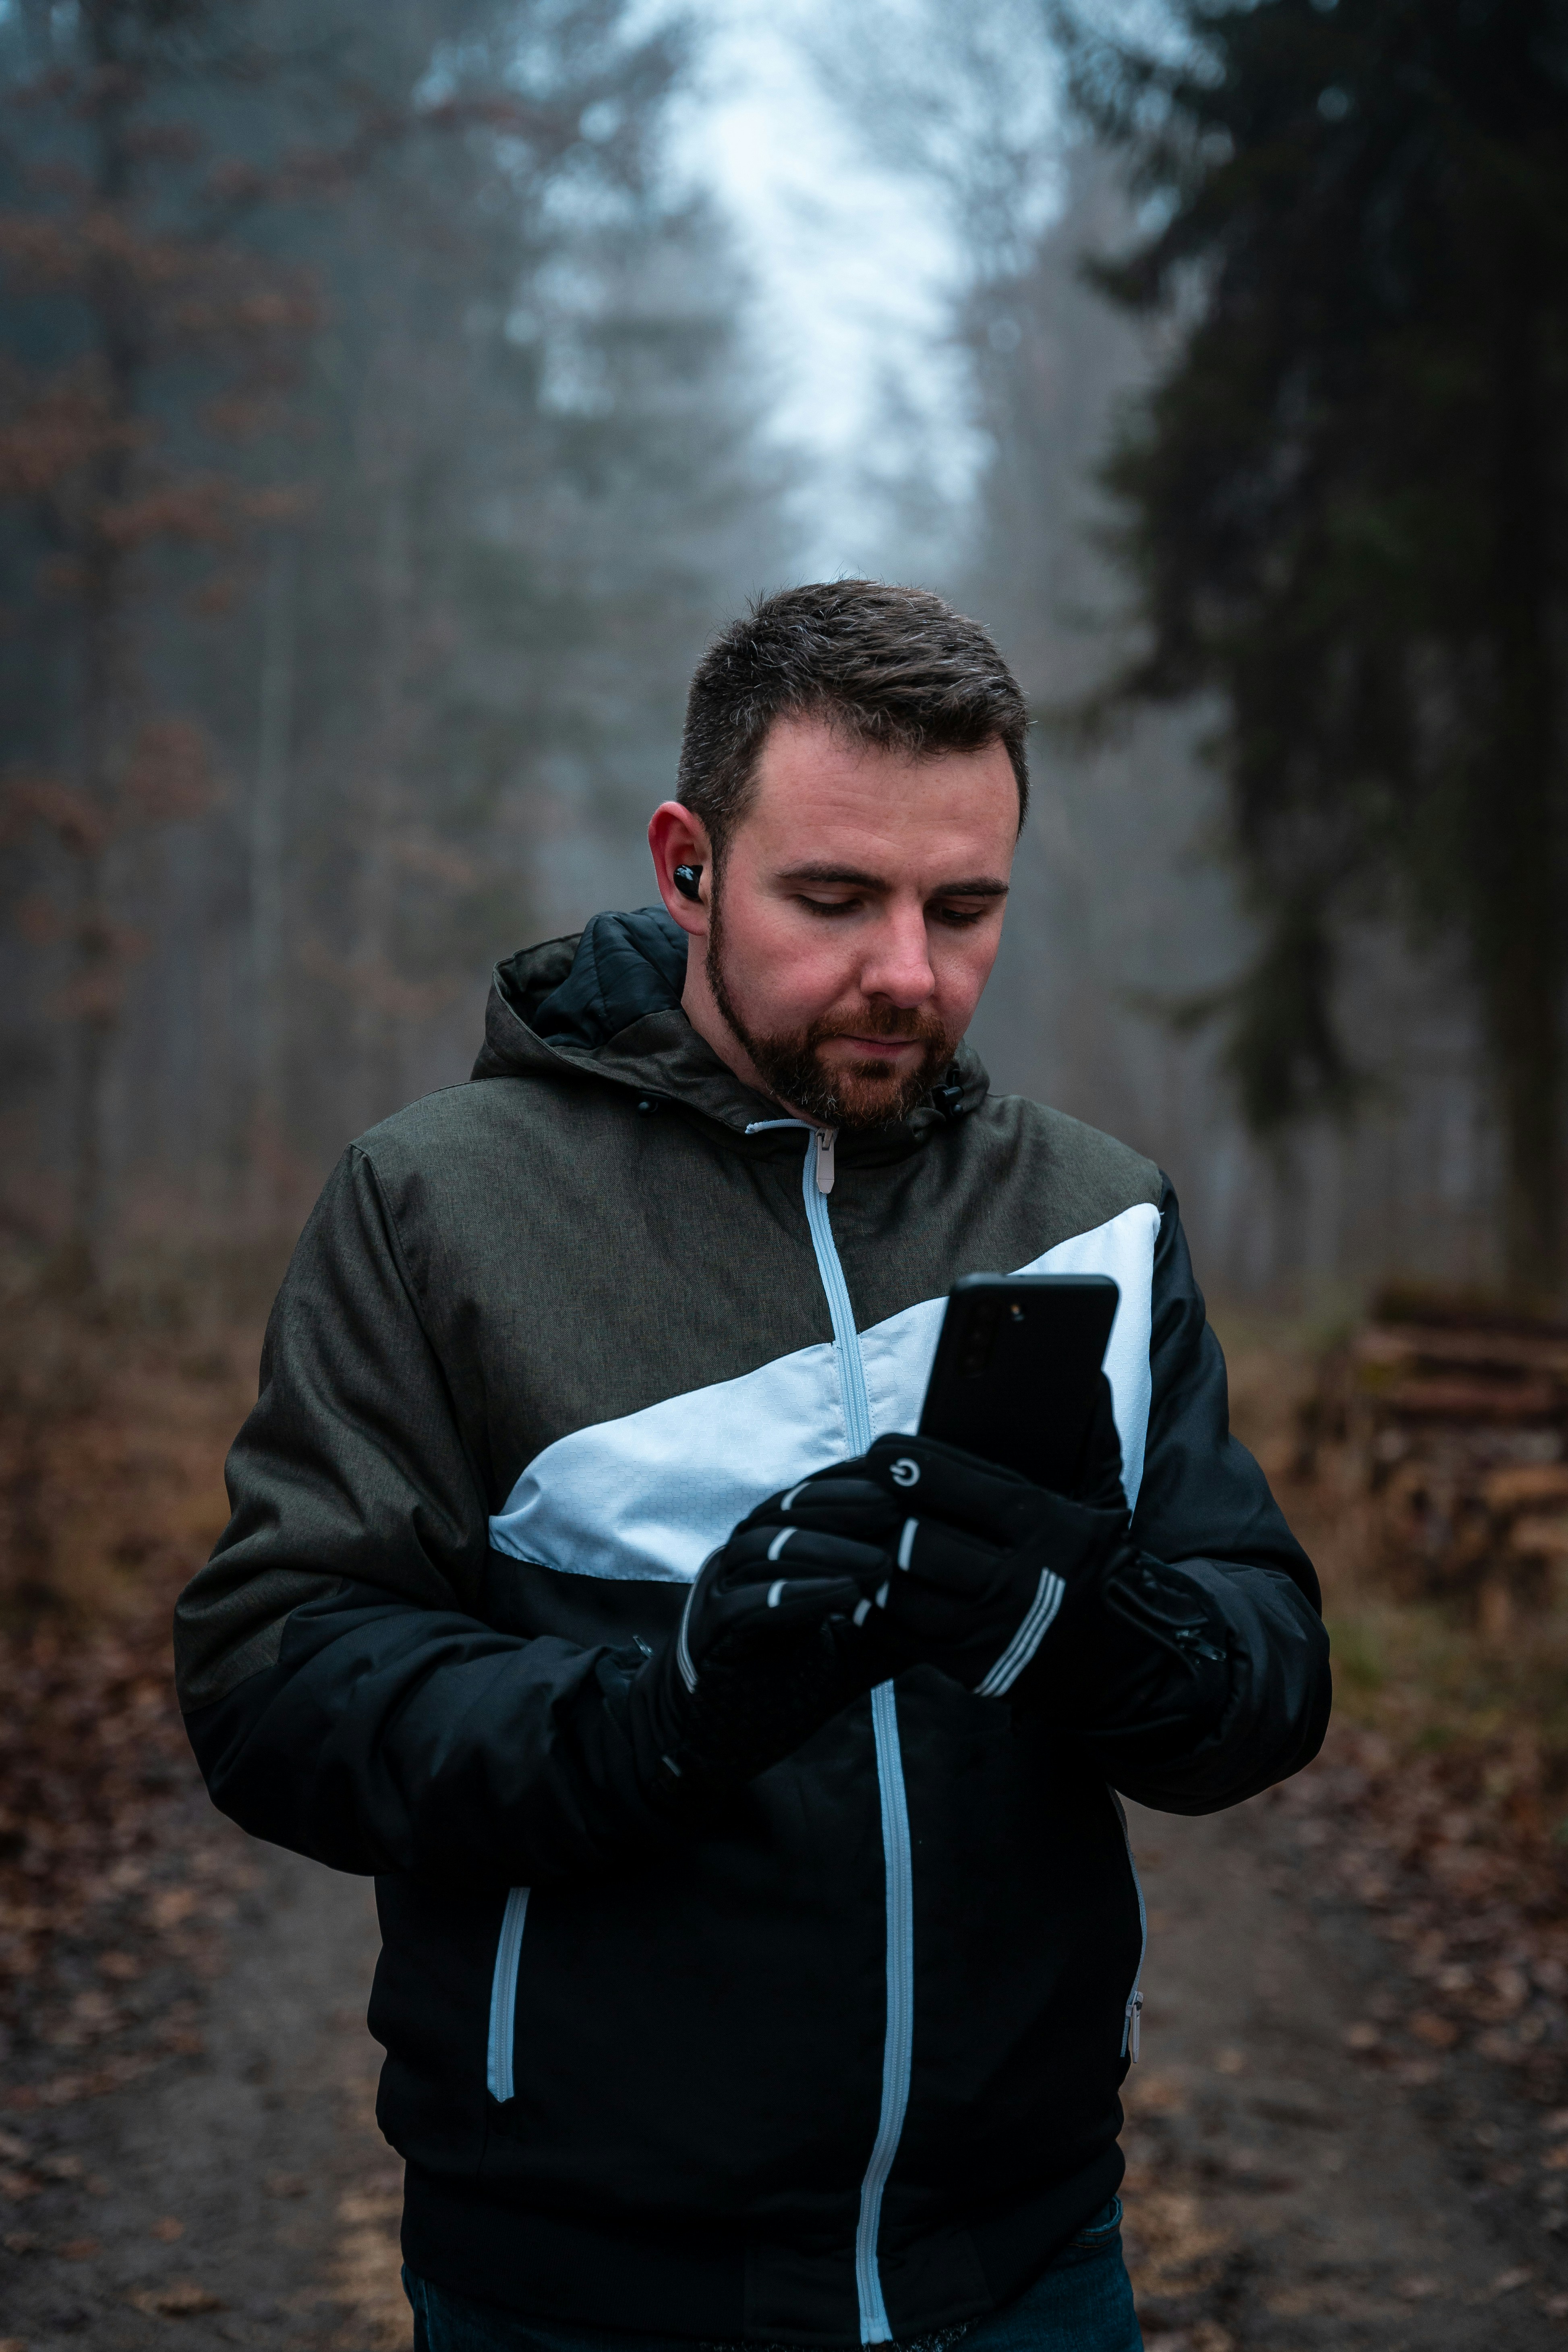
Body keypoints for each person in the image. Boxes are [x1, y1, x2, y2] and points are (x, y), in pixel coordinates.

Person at [176, 580, 1330, 2352]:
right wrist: (656, 1714)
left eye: (963, 908)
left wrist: (1067, 1627)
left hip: (1026, 2256)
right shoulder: (439, 1205)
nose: (904, 972)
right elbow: (275, 1681)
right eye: (833, 897)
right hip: (578, 2279)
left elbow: (1264, 1667)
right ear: (685, 860)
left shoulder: (1091, 1212)